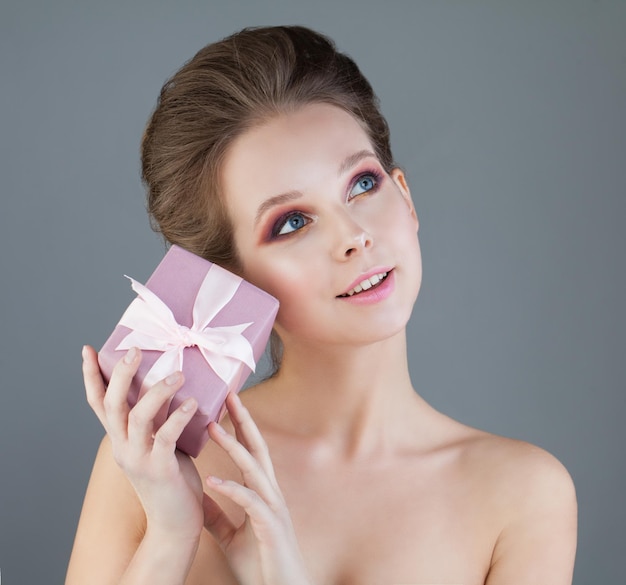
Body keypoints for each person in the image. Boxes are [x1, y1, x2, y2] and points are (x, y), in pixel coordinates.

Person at [66, 25, 577, 585]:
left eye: (361, 184)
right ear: (229, 278)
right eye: (292, 222)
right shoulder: (151, 463)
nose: (354, 235)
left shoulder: (523, 495)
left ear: (404, 195)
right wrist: (170, 536)